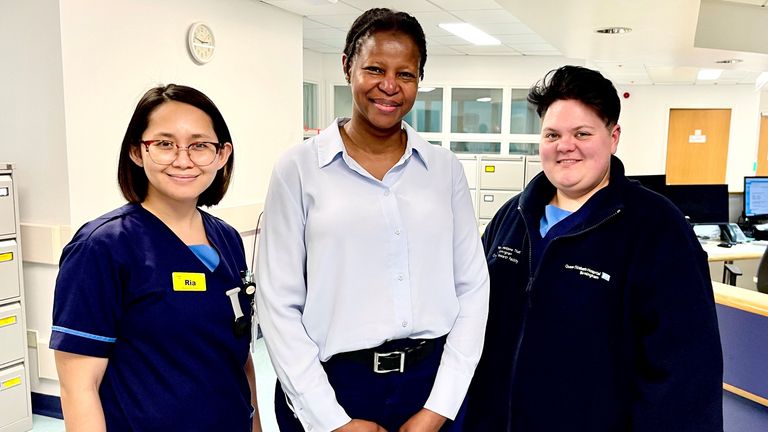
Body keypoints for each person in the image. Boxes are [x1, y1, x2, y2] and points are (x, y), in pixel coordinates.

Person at [255, 8, 489, 432]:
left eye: (406, 74)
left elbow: (472, 287)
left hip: (430, 381)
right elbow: (277, 303)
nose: (389, 86)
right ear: (347, 66)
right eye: (375, 69)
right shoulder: (299, 168)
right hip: (332, 385)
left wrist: (440, 406)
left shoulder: (443, 169)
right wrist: (331, 421)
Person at [463, 65, 723, 431]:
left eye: (582, 133)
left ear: (613, 137)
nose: (565, 146)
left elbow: (686, 374)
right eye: (552, 134)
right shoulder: (512, 217)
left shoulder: (656, 228)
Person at [50, 84, 262, 432]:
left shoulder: (227, 238)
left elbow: (238, 355)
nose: (183, 159)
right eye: (164, 144)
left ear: (222, 154)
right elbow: (78, 387)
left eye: (199, 145)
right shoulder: (103, 247)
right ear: (137, 151)